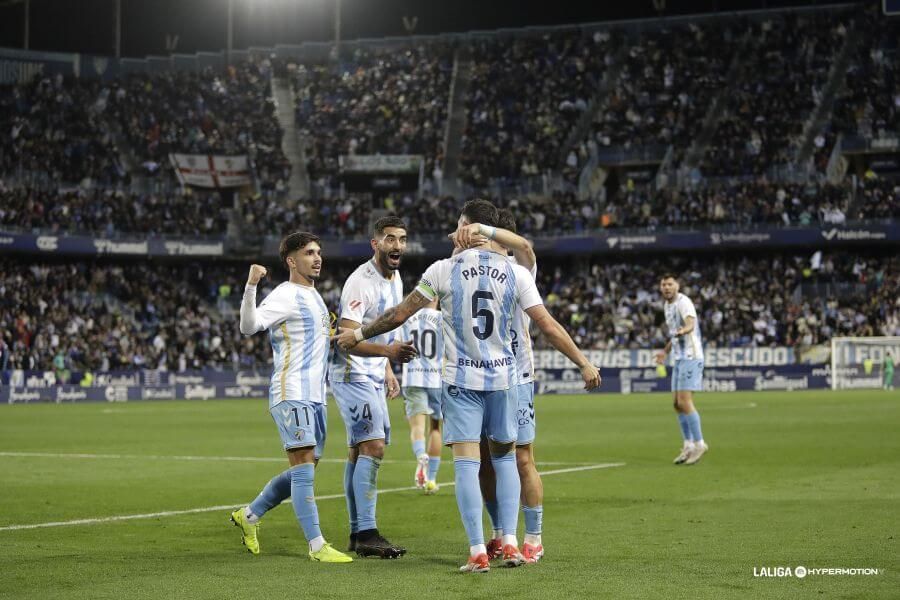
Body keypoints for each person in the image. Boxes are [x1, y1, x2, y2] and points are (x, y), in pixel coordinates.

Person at [335, 200, 601, 573]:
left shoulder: (443, 270)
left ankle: (478, 550)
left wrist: (359, 333)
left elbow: (400, 314)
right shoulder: (515, 274)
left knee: (467, 464)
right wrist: (584, 362)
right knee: (506, 460)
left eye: (458, 226)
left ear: (467, 229)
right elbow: (547, 323)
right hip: (505, 380)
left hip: (461, 382)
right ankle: (509, 543)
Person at [230, 232, 353, 563]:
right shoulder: (285, 294)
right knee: (304, 470)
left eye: (319, 252)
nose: (317, 258)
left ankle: (250, 516)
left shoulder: (315, 296)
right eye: (309, 253)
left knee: (307, 467)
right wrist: (252, 284)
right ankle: (316, 546)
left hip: (315, 396)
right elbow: (249, 325)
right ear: (291, 261)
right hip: (291, 391)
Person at [328, 216, 416, 559]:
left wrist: (387, 368)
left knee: (359, 450)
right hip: (350, 373)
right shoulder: (359, 283)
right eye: (390, 239)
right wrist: (388, 353)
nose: (397, 246)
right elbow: (346, 340)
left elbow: (382, 330)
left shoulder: (395, 278)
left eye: (402, 239)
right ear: (375, 244)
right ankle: (367, 532)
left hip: (371, 372)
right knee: (375, 447)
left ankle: (356, 532)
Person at [466, 209, 545, 562]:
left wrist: (484, 229)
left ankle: (533, 536)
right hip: (481, 377)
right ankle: (498, 533)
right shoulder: (471, 267)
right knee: (484, 459)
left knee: (523, 458)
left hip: (518, 377)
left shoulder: (519, 270)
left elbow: (526, 247)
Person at [655, 274, 708, 465]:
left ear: (677, 286)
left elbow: (690, 323)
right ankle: (688, 445)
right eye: (663, 284)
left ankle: (700, 443)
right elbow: (674, 334)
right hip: (678, 358)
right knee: (677, 404)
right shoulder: (667, 306)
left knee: (685, 402)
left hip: (691, 357)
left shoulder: (684, 302)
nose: (666, 287)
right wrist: (665, 351)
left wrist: (685, 330)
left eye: (670, 284)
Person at [400, 297, 444, 495]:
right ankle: (431, 479)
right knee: (435, 428)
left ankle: (421, 455)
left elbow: (397, 344)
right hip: (437, 379)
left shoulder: (407, 318)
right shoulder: (443, 318)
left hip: (413, 377)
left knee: (417, 426)